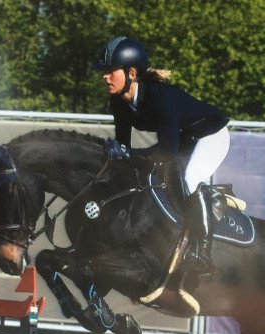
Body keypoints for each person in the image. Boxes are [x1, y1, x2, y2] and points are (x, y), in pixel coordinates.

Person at [95, 36, 230, 273]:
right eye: (104, 71)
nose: (105, 76)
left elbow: (165, 151)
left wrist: (129, 154)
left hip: (211, 135)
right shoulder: (118, 102)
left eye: (110, 71)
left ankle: (204, 255)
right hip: (186, 138)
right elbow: (123, 144)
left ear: (132, 73)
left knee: (189, 180)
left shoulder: (161, 97)